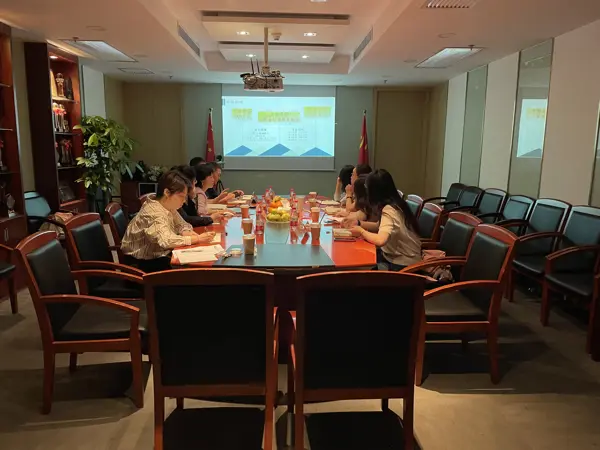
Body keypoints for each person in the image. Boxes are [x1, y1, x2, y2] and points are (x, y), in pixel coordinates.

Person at [121, 170, 215, 273]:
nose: (184, 201)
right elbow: (166, 241)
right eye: (181, 196)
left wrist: (185, 231)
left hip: (158, 256)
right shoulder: (154, 212)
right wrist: (197, 238)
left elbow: (182, 224)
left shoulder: (166, 205)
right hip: (141, 266)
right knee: (195, 273)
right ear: (167, 192)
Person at [348, 169, 421, 271]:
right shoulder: (396, 203)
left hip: (403, 264)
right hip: (392, 257)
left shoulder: (389, 210)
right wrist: (359, 223)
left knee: (358, 265)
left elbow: (380, 240)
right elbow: (378, 226)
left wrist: (361, 231)